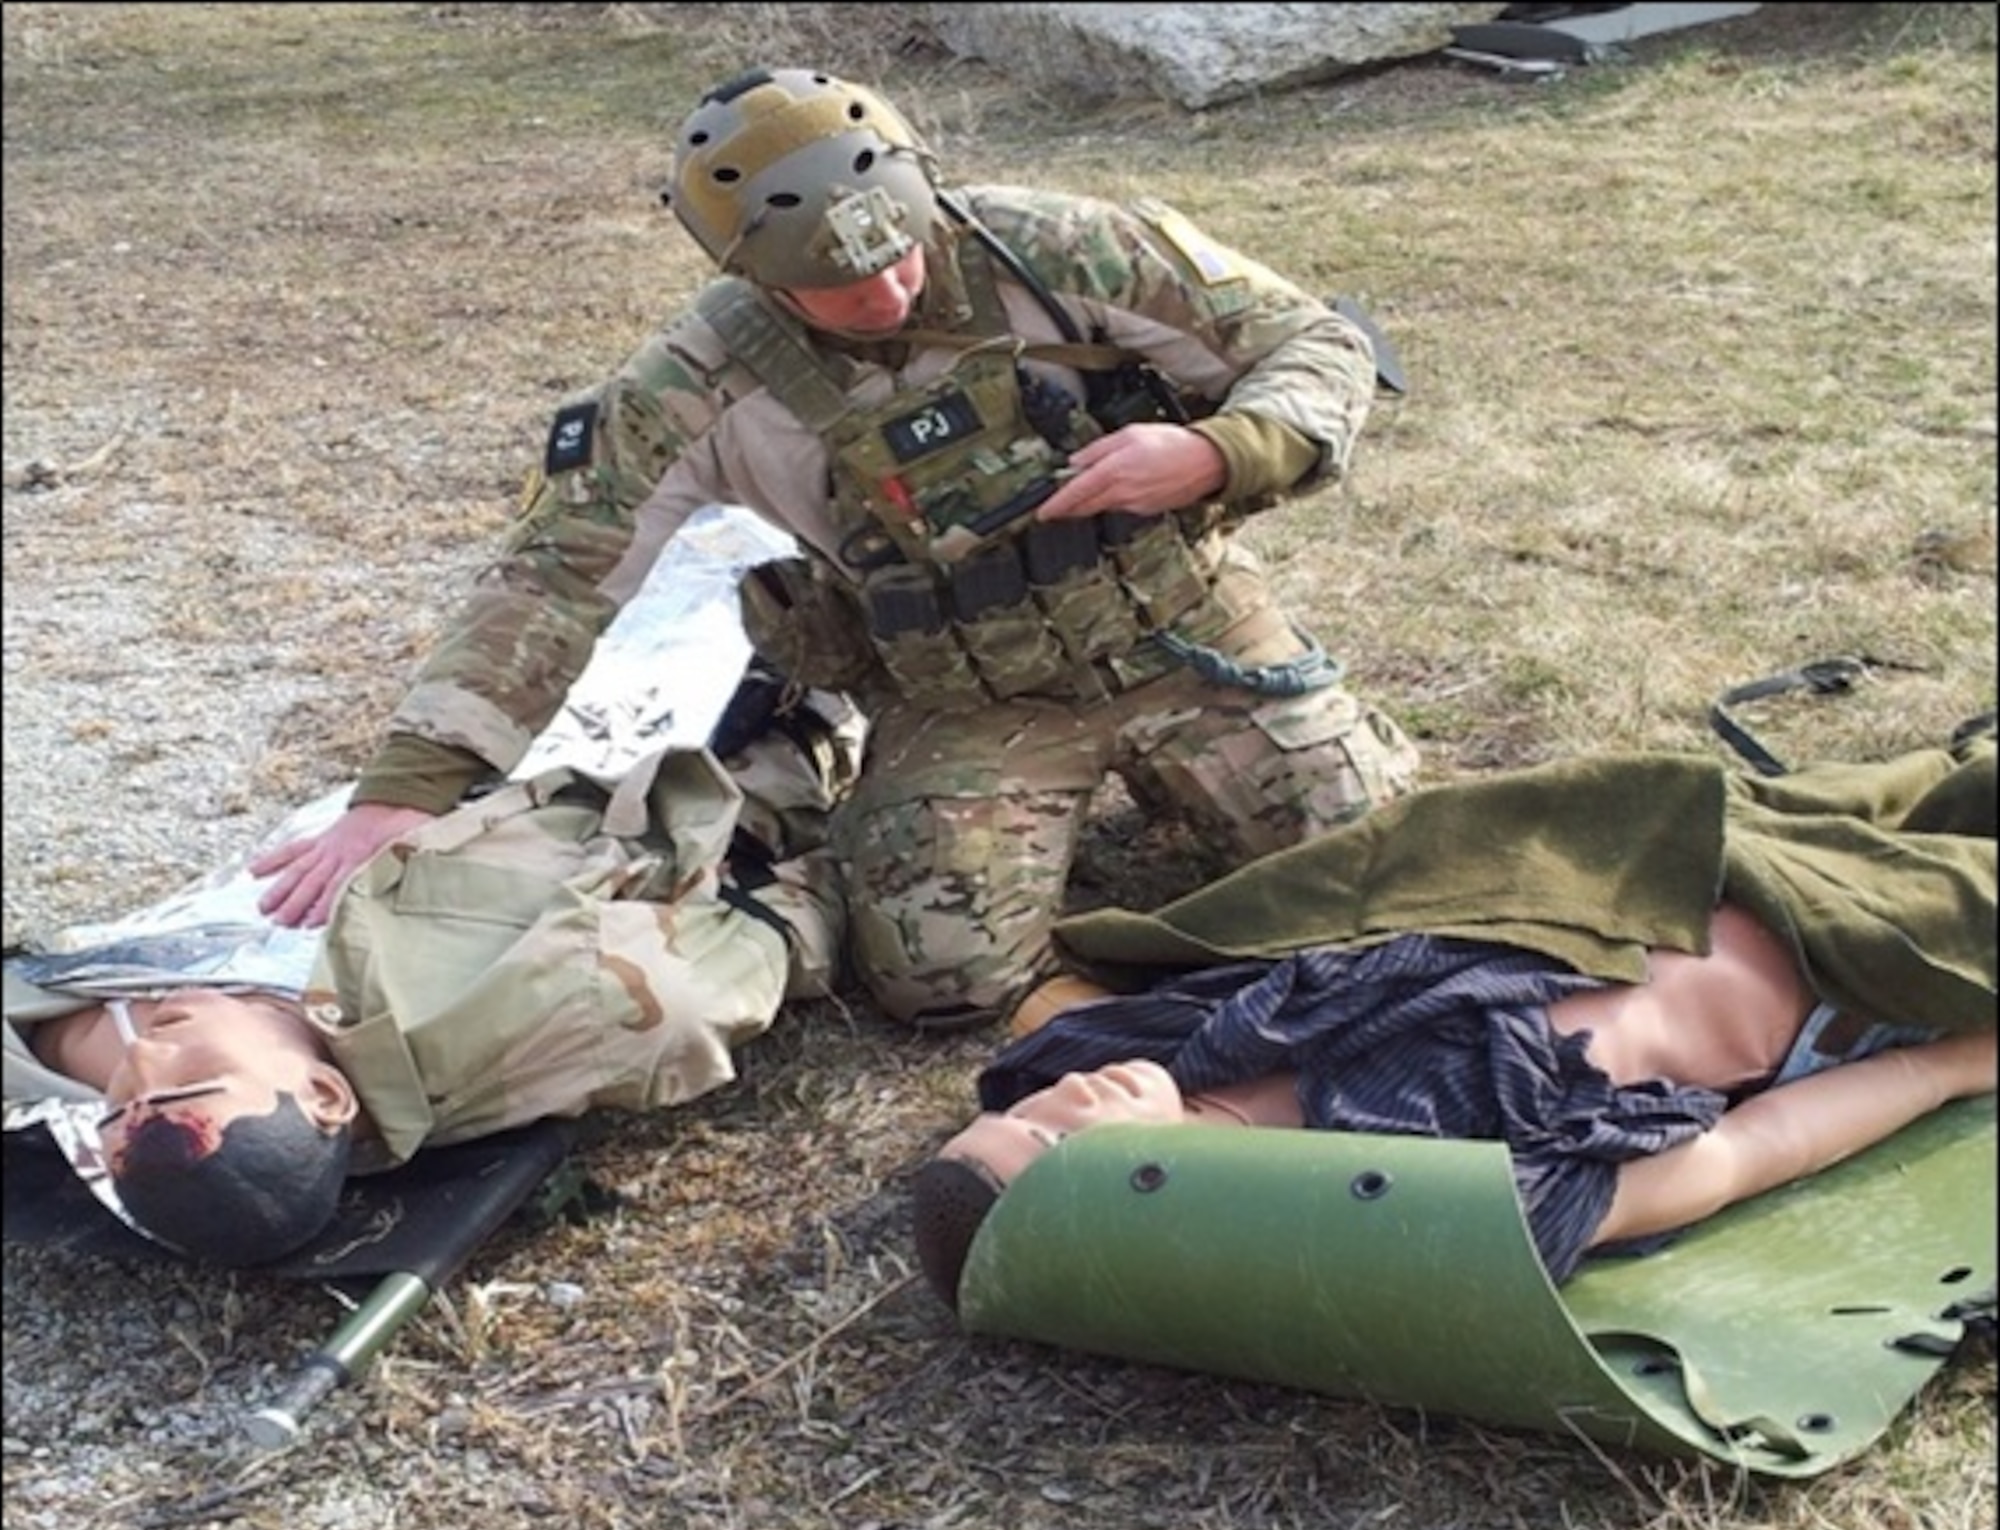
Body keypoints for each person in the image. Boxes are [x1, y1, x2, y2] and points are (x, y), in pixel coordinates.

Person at [244, 65, 1422, 1031]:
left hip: (1183, 626)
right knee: (936, 976)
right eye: (838, 282)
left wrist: (1224, 450)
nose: (888, 286)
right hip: (966, 695)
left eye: (901, 249)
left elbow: (1308, 339)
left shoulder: (1056, 247)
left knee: (1373, 865)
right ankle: (840, 773)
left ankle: (1213, 768)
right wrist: (408, 789)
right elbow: (554, 571)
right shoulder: (692, 382)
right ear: (750, 272)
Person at [912, 726, 1998, 1308]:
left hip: (1655, 862)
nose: (1057, 1098)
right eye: (1053, 1140)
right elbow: (1732, 1153)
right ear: (1125, 1214)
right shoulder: (1418, 1197)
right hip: (1855, 966)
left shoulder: (1153, 1054)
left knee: (1950, 781)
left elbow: (1052, 1014)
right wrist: (1944, 1071)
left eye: (1015, 1110)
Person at [4, 681, 853, 1268]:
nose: (141, 1066)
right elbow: (735, 951)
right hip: (642, 744)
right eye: (190, 1081)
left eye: (118, 1106)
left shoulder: (89, 1049)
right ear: (327, 1095)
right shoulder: (524, 1011)